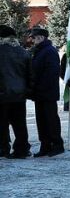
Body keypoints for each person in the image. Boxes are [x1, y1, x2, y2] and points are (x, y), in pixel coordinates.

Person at [30, 27, 65, 157]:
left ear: (41, 38)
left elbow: (52, 73)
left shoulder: (49, 51)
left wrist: (40, 87)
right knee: (41, 120)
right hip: (39, 93)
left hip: (47, 92)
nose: (32, 40)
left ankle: (57, 144)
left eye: (34, 37)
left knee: (51, 119)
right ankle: (45, 145)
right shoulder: (39, 51)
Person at [0, 25, 32, 158]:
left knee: (1, 124)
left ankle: (3, 148)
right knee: (20, 124)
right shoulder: (23, 52)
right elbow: (30, 74)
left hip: (2, 94)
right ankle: (22, 149)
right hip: (19, 94)